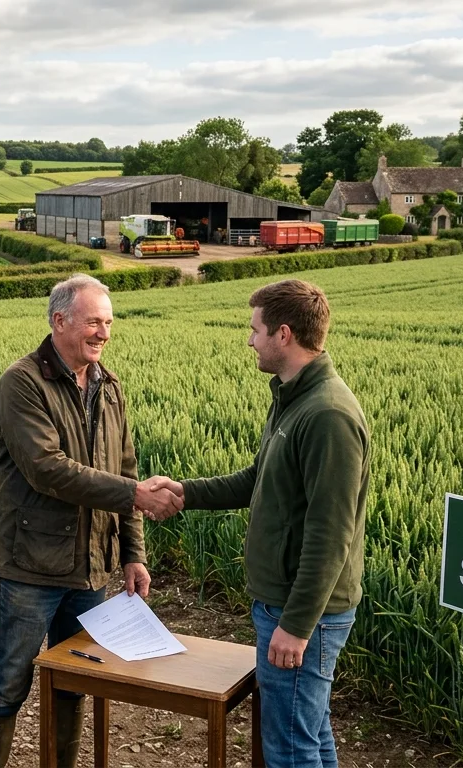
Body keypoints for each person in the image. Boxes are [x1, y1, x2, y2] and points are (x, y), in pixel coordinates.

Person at [146, 279, 370, 768]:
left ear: (283, 334)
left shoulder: (327, 414)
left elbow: (331, 535)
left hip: (301, 612)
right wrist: (185, 493)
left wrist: (296, 624)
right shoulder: (293, 398)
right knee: (307, 735)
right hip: (284, 605)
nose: (249, 340)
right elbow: (259, 480)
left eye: (255, 330)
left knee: (289, 748)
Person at [0, 274, 183, 768]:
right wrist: (133, 493)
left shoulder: (109, 387)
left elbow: (124, 468)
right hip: (32, 566)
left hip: (92, 569)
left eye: (108, 322)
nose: (103, 333)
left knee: (75, 680)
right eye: (94, 321)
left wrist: (133, 553)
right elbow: (47, 470)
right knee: (10, 678)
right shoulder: (22, 382)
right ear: (59, 320)